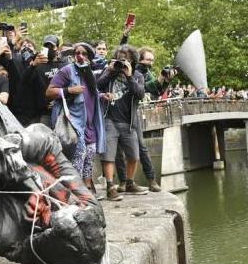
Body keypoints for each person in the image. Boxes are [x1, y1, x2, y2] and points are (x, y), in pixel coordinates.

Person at [46, 43, 106, 195]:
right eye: (77, 53)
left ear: (89, 57)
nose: (80, 56)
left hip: (90, 122)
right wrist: (68, 90)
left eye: (84, 53)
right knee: (79, 156)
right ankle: (75, 192)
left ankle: (86, 190)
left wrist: (102, 96)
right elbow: (49, 92)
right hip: (74, 122)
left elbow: (90, 95)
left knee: (90, 155)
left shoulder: (89, 73)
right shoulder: (67, 71)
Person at [117, 46, 175, 192]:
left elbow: (157, 91)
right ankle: (124, 182)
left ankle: (151, 180)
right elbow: (142, 88)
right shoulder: (131, 70)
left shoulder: (146, 72)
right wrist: (159, 79)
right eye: (148, 59)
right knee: (119, 151)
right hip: (119, 113)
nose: (151, 63)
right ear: (140, 59)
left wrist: (166, 79)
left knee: (142, 148)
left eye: (152, 60)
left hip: (133, 114)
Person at [97, 44, 149, 201]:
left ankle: (129, 183)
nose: (122, 62)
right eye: (119, 58)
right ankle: (110, 187)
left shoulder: (138, 75)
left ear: (132, 60)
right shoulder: (109, 72)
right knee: (109, 156)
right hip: (110, 119)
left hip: (129, 121)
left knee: (134, 155)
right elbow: (98, 85)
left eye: (125, 59)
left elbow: (140, 94)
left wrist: (129, 76)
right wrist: (111, 72)